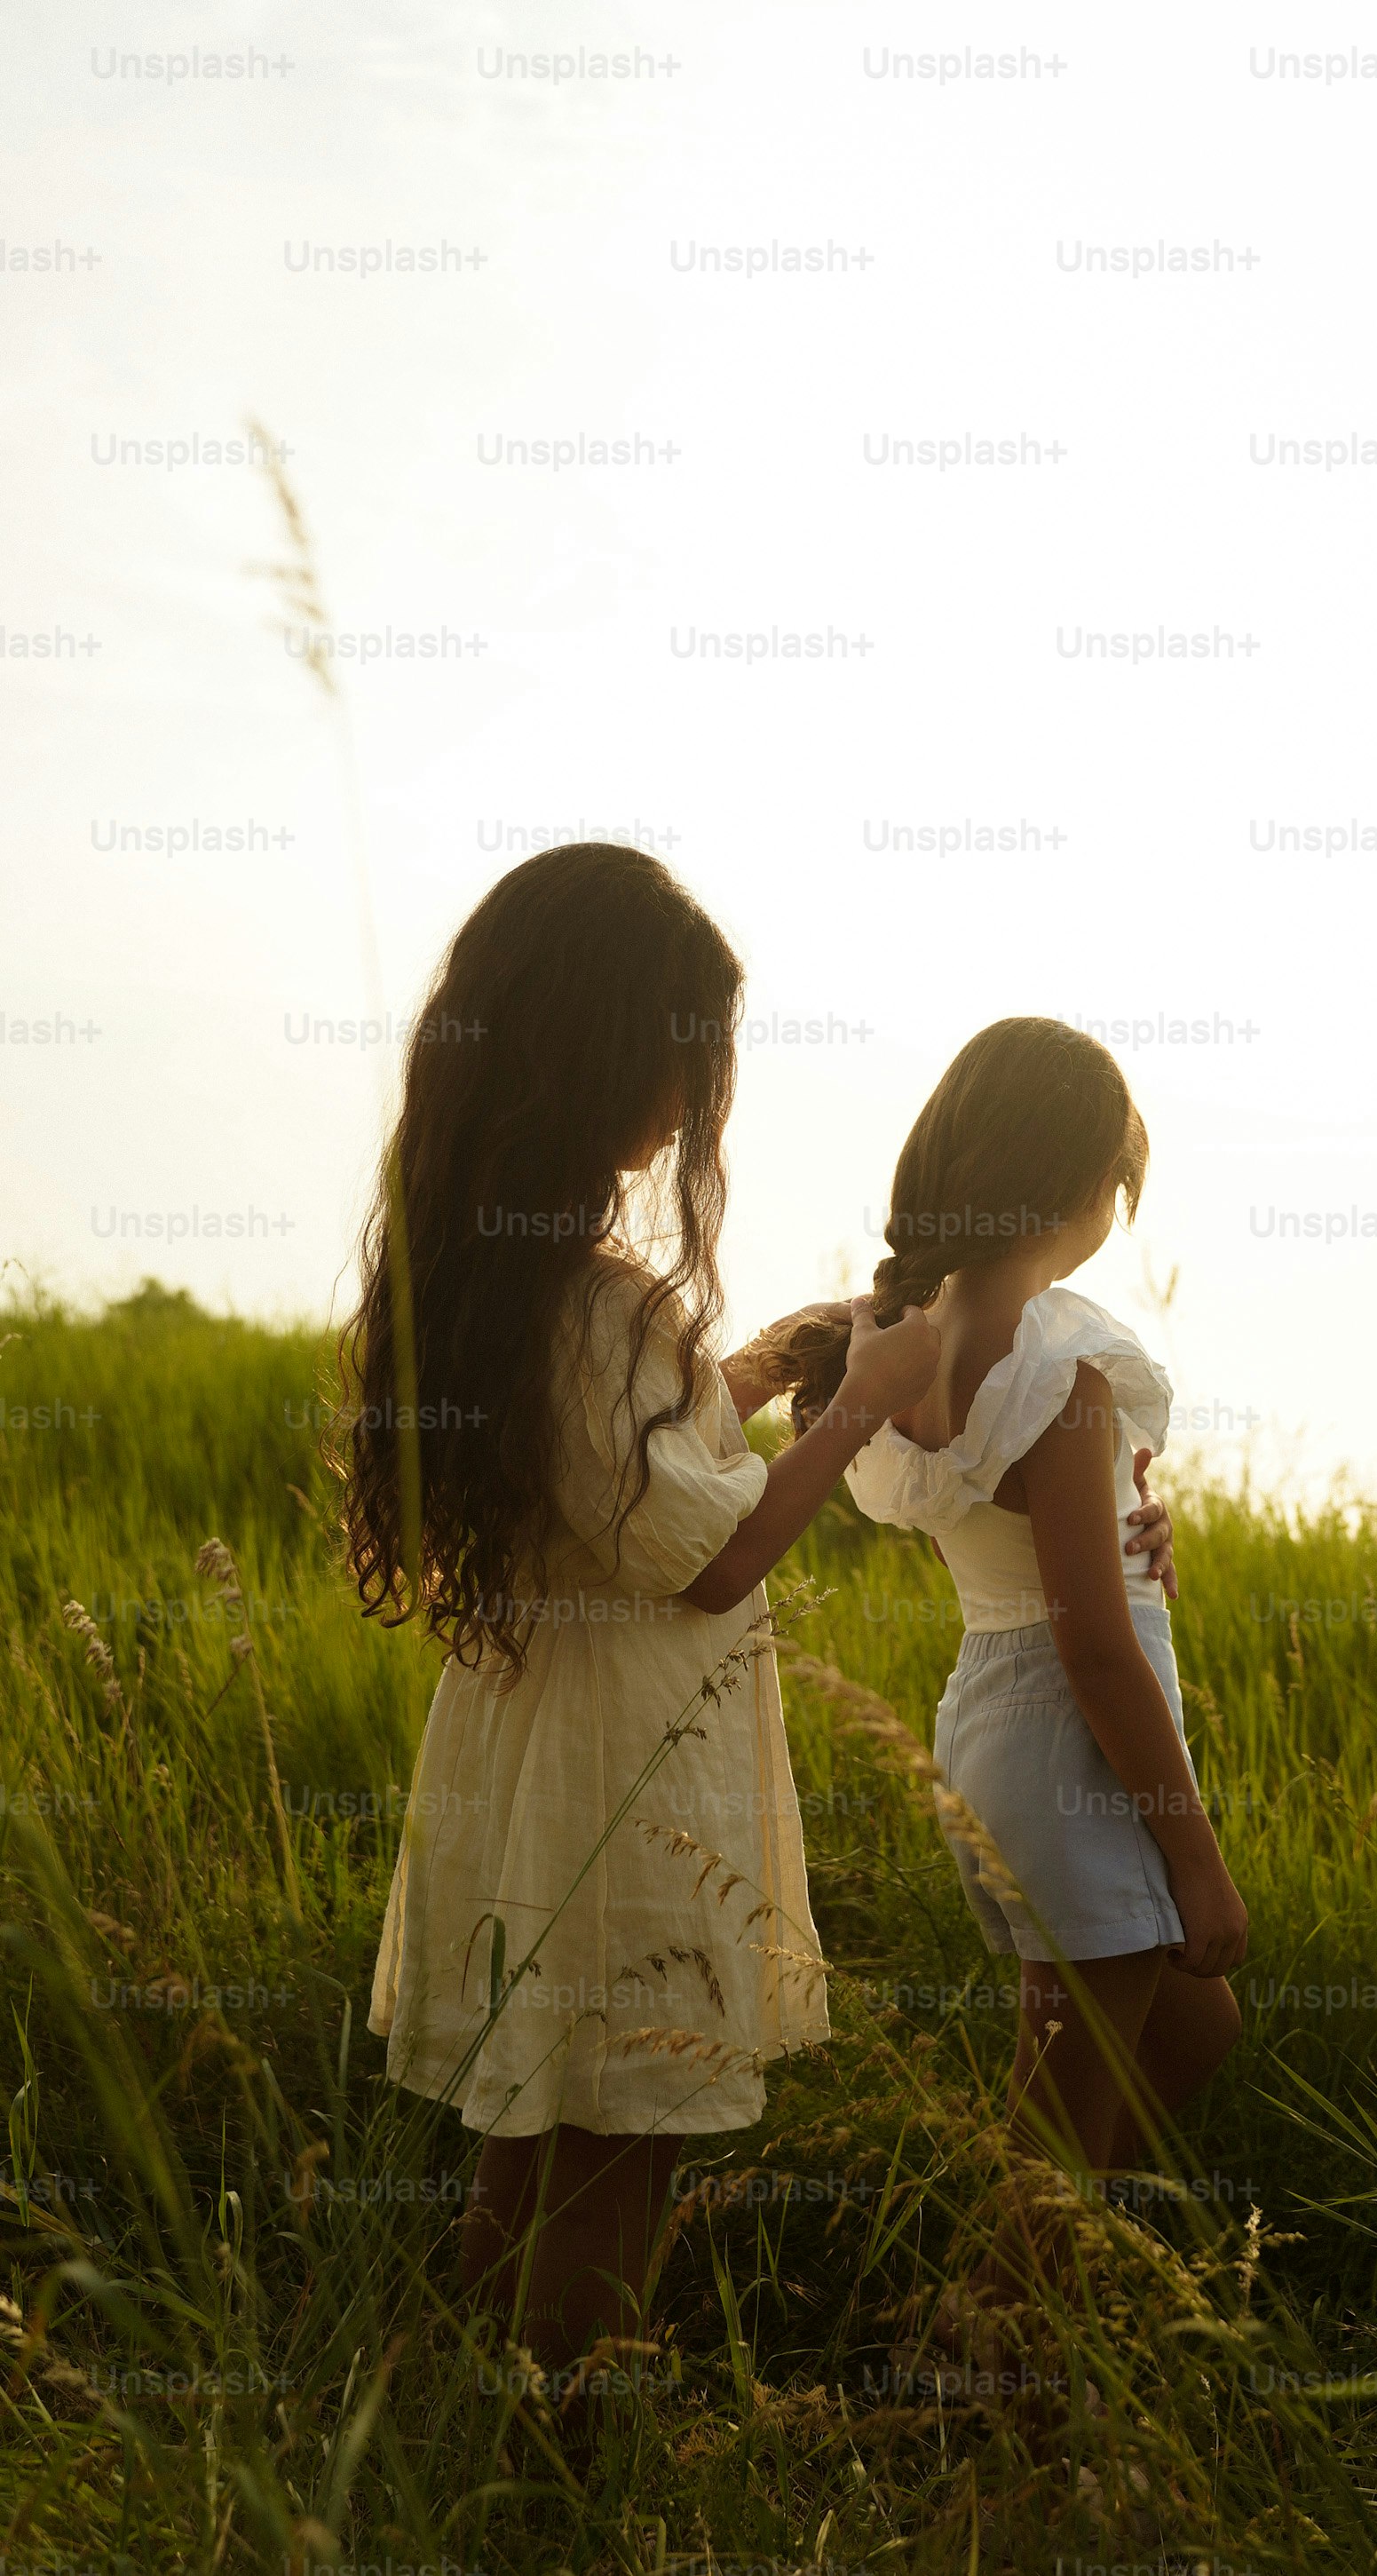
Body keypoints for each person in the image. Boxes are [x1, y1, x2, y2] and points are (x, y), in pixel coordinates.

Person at [342, 843, 940, 2382]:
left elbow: (612, 1472)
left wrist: (758, 1368)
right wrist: (856, 1405)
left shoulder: (504, 1264)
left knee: (541, 2128)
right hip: (626, 1764)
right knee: (619, 2139)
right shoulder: (595, 1295)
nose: (690, 1097)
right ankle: (569, 2442)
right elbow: (710, 1559)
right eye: (678, 1054)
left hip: (546, 1739)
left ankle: (497, 2422)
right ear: (595, 1046)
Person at [763, 1018, 1246, 2314]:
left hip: (992, 1721)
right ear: (1079, 1184)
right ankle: (997, 2354)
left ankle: (1061, 2283)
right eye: (1116, 1189)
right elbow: (1094, 1645)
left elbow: (1039, 1553)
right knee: (1054, 2155)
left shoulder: (912, 1342)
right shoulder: (1061, 1370)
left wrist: (1127, 1522)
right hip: (1072, 1745)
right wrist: (1196, 1855)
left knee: (1192, 2028)